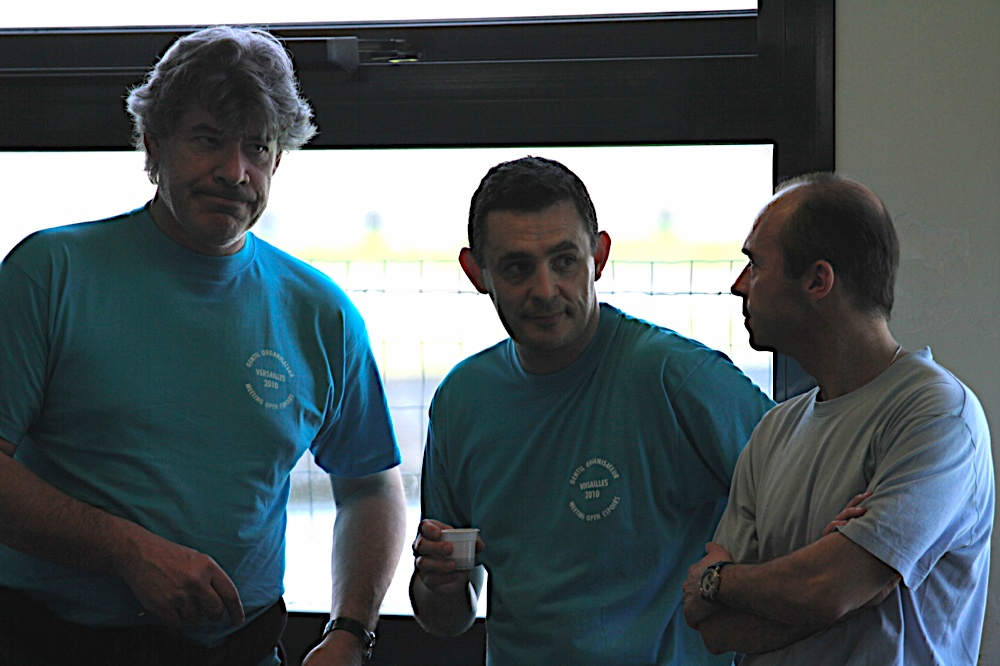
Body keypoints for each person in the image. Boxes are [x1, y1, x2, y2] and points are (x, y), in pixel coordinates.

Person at [0, 26, 406, 666]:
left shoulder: (320, 312)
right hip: (50, 642)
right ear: (153, 145)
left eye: (257, 146)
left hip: (241, 650)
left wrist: (350, 631)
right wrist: (125, 550)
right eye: (208, 140)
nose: (234, 171)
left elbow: (370, 488)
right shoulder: (50, 273)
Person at [409, 156, 775, 665]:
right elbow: (448, 617)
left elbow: (806, 517)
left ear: (598, 257)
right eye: (517, 268)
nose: (544, 290)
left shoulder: (679, 378)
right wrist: (439, 583)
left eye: (564, 261)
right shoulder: (461, 400)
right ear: (477, 272)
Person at [682, 173, 994, 665]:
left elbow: (826, 589)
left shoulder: (937, 414)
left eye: (755, 264)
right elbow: (716, 627)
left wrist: (719, 580)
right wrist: (835, 588)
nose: (738, 285)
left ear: (817, 281)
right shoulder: (773, 431)